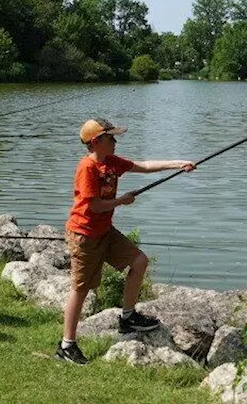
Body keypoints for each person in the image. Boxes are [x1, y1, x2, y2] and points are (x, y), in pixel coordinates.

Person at [55, 118, 196, 365]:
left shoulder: (112, 162)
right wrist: (121, 201)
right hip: (84, 235)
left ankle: (128, 317)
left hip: (105, 231)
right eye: (111, 137)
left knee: (139, 261)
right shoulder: (87, 168)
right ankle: (67, 344)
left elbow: (143, 165)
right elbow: (95, 206)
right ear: (96, 141)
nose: (116, 141)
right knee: (81, 289)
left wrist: (179, 164)